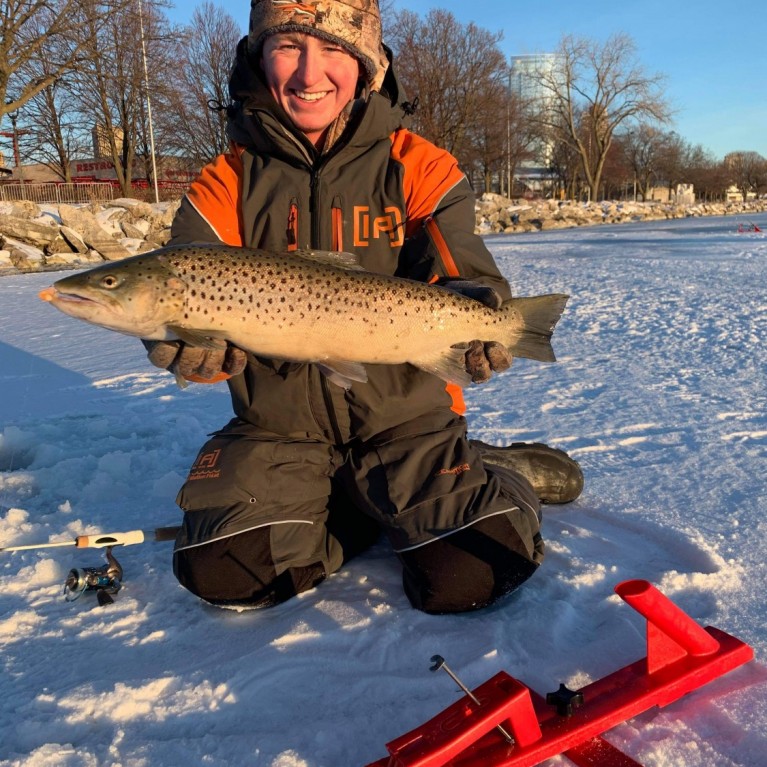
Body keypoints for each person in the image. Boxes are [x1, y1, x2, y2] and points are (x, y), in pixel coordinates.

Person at [145, 0, 583, 614]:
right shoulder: (227, 180)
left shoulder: (420, 165)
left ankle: (495, 471)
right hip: (280, 426)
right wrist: (178, 344)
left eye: (332, 51)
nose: (308, 74)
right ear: (258, 56)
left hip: (405, 420)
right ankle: (363, 506)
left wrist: (490, 317)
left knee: (475, 570)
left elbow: (465, 275)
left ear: (366, 63)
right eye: (288, 46)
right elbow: (181, 281)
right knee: (226, 572)